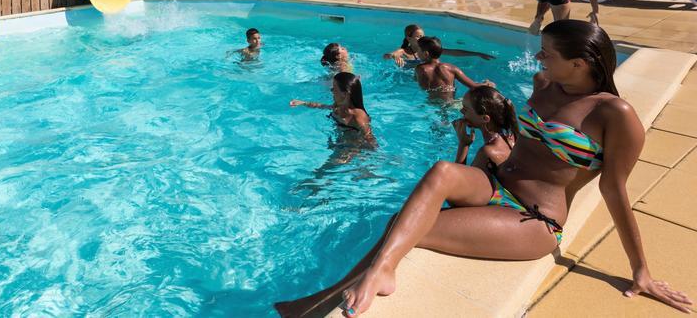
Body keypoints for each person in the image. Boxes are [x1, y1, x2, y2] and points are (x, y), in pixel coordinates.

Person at [275, 20, 692, 318]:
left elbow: (614, 191)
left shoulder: (614, 115)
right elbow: (513, 134)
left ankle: (320, 302)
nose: (537, 58)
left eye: (547, 54)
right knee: (439, 173)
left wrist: (641, 270)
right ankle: (355, 284)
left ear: (581, 61)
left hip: (535, 218)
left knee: (405, 228)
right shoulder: (545, 84)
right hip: (493, 183)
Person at [290, 72, 377, 147]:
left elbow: (370, 139)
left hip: (352, 146)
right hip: (340, 142)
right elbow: (320, 106)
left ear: (345, 94)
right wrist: (303, 103)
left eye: (334, 88)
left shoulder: (358, 116)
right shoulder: (337, 107)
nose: (331, 90)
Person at [453, 84, 518, 169]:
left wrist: (463, 144)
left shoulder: (488, 153)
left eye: (465, 109)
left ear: (485, 118)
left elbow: (458, 180)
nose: (461, 111)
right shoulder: (513, 137)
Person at [384, 24, 494, 67]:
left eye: (422, 35)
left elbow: (453, 52)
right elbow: (388, 55)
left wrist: (477, 54)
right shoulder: (404, 51)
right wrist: (394, 56)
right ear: (409, 38)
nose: (421, 38)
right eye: (417, 37)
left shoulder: (428, 47)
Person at [414, 36, 489, 96]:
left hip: (432, 104)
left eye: (418, 50)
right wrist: (486, 84)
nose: (417, 52)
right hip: (451, 103)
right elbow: (474, 86)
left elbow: (423, 88)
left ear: (426, 54)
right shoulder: (452, 68)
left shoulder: (421, 69)